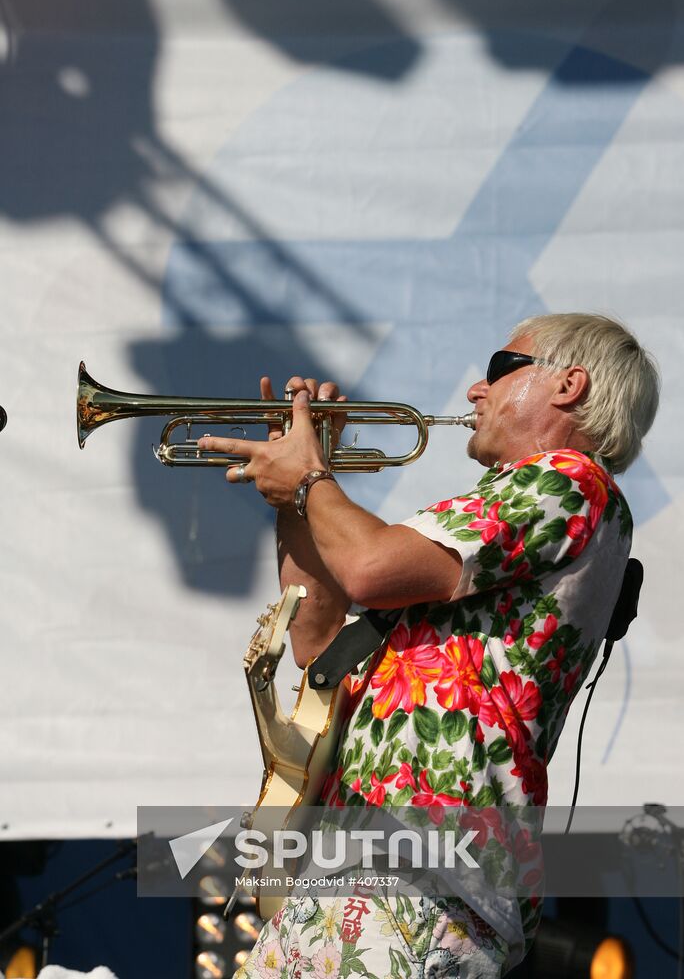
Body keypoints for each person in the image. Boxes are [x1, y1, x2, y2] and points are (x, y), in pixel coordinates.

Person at [199, 313, 660, 977]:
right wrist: (297, 498)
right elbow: (316, 635)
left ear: (569, 385)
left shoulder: (570, 483)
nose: (476, 389)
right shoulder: (498, 511)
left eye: (501, 368)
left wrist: (309, 479)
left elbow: (369, 569)